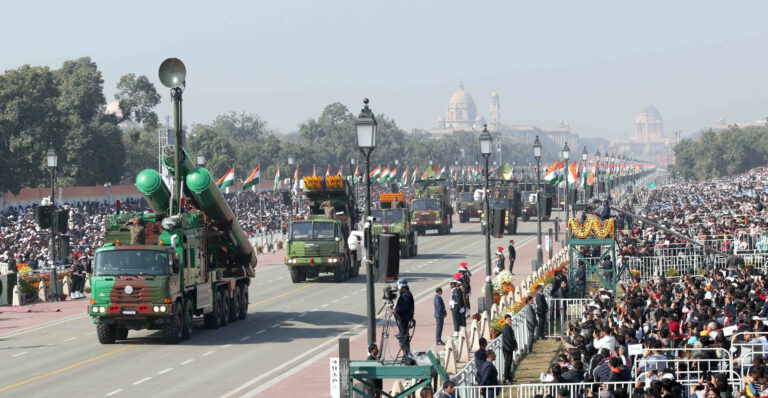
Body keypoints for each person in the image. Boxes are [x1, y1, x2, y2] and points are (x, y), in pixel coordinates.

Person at [390, 278, 414, 354]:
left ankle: (406, 355)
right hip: (404, 319)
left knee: (403, 337)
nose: (398, 288)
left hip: (404, 320)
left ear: (401, 286)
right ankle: (406, 354)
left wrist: (395, 311)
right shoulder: (405, 294)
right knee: (403, 337)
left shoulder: (406, 295)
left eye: (398, 286)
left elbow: (404, 307)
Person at [501, 314, 518, 383]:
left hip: (509, 348)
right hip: (507, 348)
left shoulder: (508, 327)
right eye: (508, 320)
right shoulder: (506, 328)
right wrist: (513, 346)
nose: (510, 321)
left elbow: (512, 338)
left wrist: (515, 345)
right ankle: (506, 378)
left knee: (509, 363)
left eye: (510, 319)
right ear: (505, 320)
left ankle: (509, 377)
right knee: (507, 363)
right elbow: (509, 339)